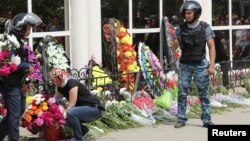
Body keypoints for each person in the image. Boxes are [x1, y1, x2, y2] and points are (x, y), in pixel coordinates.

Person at [172, 0, 216, 128]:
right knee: (182, 92)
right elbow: (173, 47)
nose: (187, 15)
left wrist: (212, 65)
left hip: (201, 64)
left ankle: (207, 119)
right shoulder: (180, 28)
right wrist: (174, 45)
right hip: (185, 64)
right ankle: (181, 118)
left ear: (196, 13)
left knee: (204, 93)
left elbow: (211, 47)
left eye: (190, 13)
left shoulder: (205, 27)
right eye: (185, 13)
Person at [0, 13, 42, 141]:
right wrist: (26, 66)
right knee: (14, 117)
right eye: (28, 28)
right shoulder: (9, 41)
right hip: (10, 85)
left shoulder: (17, 40)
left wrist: (29, 65)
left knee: (18, 112)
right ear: (20, 27)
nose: (29, 31)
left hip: (17, 84)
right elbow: (9, 62)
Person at [50, 68, 103, 141]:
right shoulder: (61, 87)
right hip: (84, 110)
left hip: (93, 109)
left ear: (58, 77)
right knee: (64, 118)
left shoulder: (71, 83)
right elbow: (53, 100)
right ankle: (83, 130)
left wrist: (61, 116)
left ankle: (78, 138)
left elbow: (72, 105)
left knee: (69, 113)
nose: (52, 82)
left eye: (52, 79)